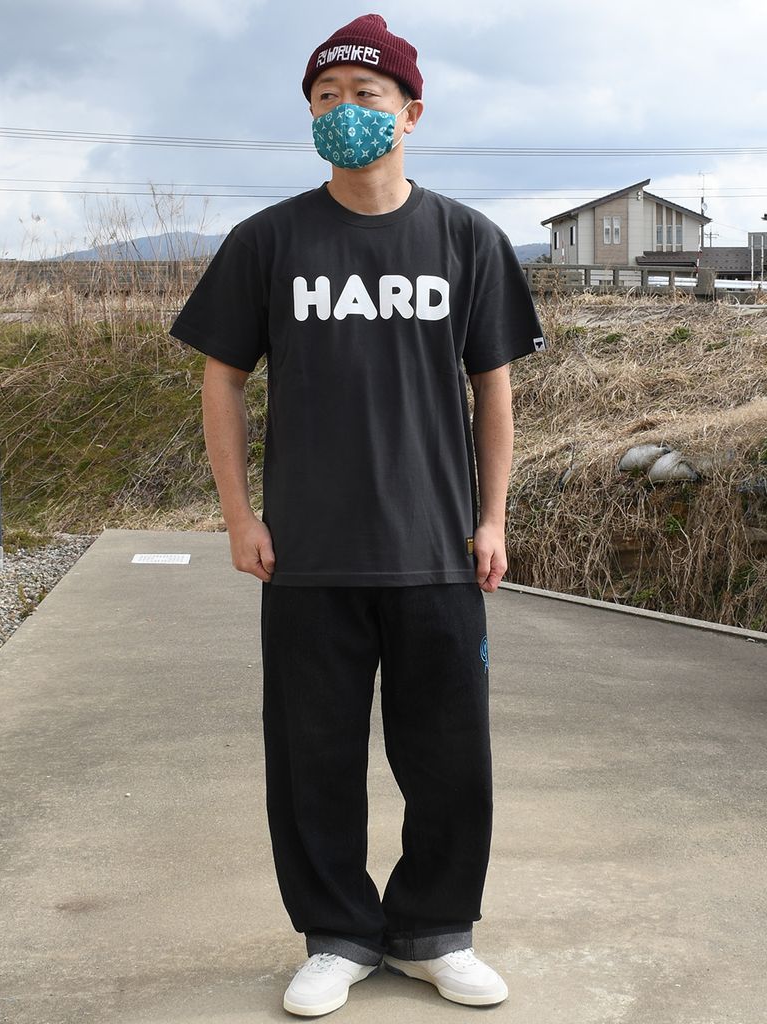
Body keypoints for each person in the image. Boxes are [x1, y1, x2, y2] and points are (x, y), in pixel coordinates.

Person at [170, 13, 546, 1017]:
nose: (346, 111)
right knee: (314, 761)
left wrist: (493, 519)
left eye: (367, 95)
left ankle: (434, 932)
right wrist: (239, 516)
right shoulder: (269, 241)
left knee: (450, 760)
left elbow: (495, 390)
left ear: (410, 112)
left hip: (437, 550)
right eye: (326, 97)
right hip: (308, 554)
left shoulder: (466, 238)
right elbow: (221, 379)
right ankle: (336, 934)